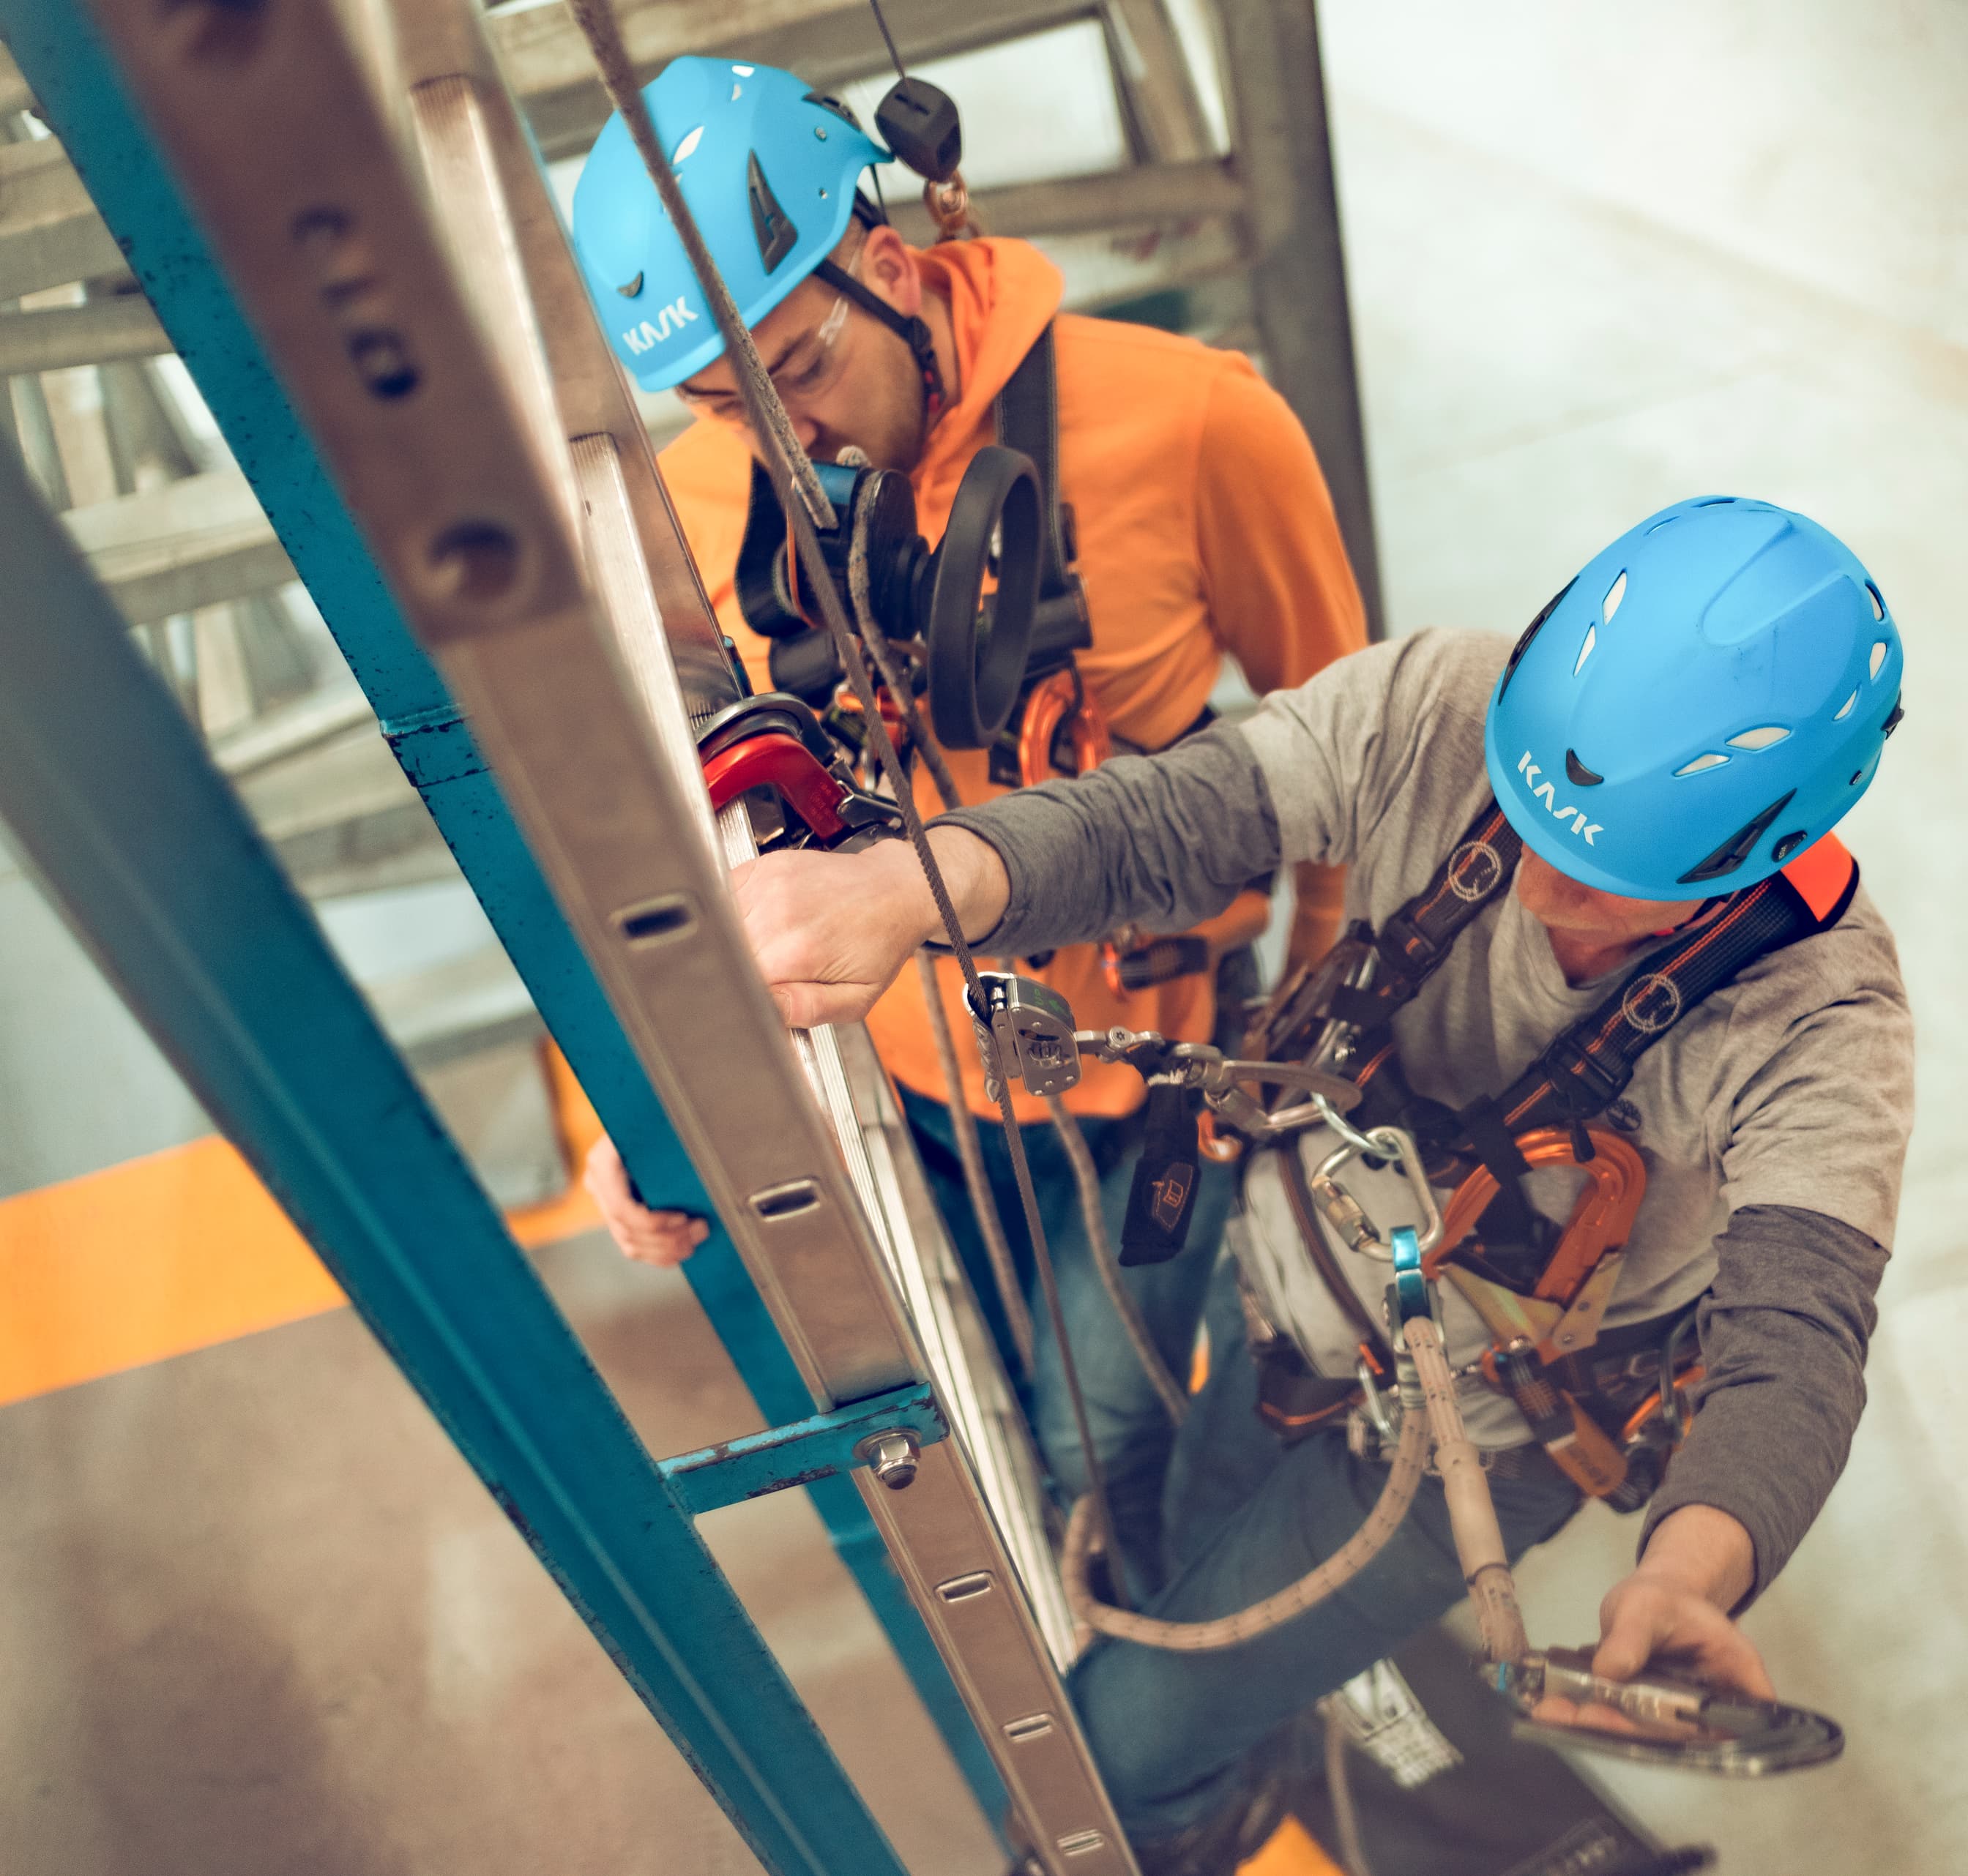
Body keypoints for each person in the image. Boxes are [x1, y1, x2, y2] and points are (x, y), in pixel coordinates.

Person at [603, 492, 1917, 1872]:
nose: (1537, 886)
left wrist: (1688, 1569)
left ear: (1763, 855)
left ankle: (1207, 1803)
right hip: (1288, 1269)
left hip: (1485, 1421)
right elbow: (1167, 822)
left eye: (1605, 879)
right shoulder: (1445, 706)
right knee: (1158, 1537)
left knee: (1116, 1755)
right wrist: (902, 892)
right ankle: (1262, 1735)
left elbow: (1798, 1347)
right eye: (1531, 820)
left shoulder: (1826, 1032)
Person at [564, 56, 1368, 1575]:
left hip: (1155, 1072)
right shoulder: (692, 507)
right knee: (987, 1406)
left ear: (886, 265)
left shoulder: (1196, 425)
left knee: (1100, 1448)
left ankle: (1180, 1708)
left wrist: (1318, 1024)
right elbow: (658, 824)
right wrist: (628, 1094)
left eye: (799, 371)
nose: (781, 440)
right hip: (908, 1083)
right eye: (726, 404)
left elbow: (1345, 744)